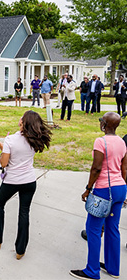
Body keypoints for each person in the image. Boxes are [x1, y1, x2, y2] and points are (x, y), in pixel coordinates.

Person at [70, 112, 127, 280]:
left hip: (104, 190)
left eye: (102, 120)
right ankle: (113, 268)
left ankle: (92, 271)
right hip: (120, 188)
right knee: (113, 228)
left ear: (105, 125)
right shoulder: (122, 143)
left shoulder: (100, 142)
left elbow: (96, 168)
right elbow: (124, 169)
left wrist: (88, 188)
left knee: (93, 229)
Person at [0, 110, 52, 260]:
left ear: (23, 123)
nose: (19, 119)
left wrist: (3, 148)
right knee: (24, 212)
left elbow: (4, 162)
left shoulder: (10, 140)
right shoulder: (35, 139)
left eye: (21, 118)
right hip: (29, 181)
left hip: (12, 180)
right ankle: (20, 250)